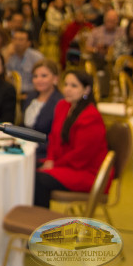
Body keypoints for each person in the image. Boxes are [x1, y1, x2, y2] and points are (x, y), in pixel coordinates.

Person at [34, 70, 110, 208]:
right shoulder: (63, 106)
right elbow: (54, 137)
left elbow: (81, 156)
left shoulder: (91, 116)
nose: (67, 89)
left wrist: (54, 165)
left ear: (86, 89)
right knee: (28, 167)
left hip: (87, 172)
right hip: (64, 163)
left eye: (74, 86)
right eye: (66, 84)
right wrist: (50, 159)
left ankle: (40, 222)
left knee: (38, 179)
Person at [21, 59, 64, 160]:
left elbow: (57, 139)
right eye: (35, 76)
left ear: (55, 79)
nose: (38, 80)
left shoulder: (60, 102)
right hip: (25, 148)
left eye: (44, 76)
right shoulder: (31, 97)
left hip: (44, 154)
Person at [6, 28, 44, 95]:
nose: (17, 42)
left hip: (31, 93)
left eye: (21, 40)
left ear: (28, 43)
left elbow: (42, 79)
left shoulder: (36, 57)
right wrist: (6, 56)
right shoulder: (8, 55)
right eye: (15, 39)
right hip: (11, 92)